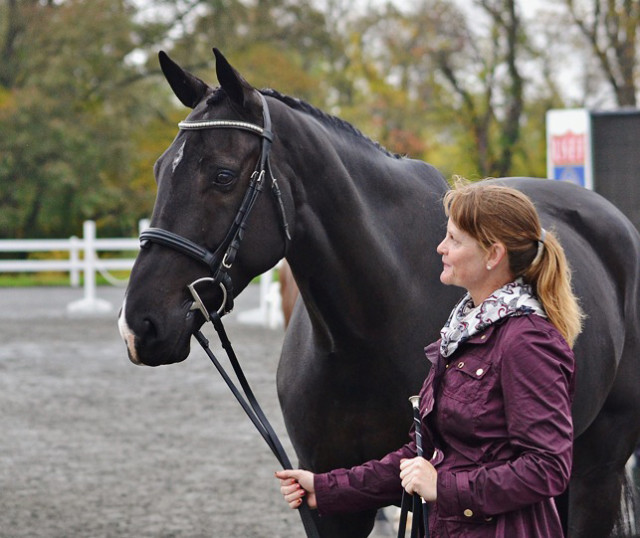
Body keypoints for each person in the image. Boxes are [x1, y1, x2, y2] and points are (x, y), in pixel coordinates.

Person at [275, 180, 583, 537]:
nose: (441, 247)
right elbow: (423, 453)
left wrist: (444, 488)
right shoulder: (465, 330)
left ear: (493, 255)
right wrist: (327, 488)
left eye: (454, 239)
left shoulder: (528, 342)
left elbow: (548, 468)